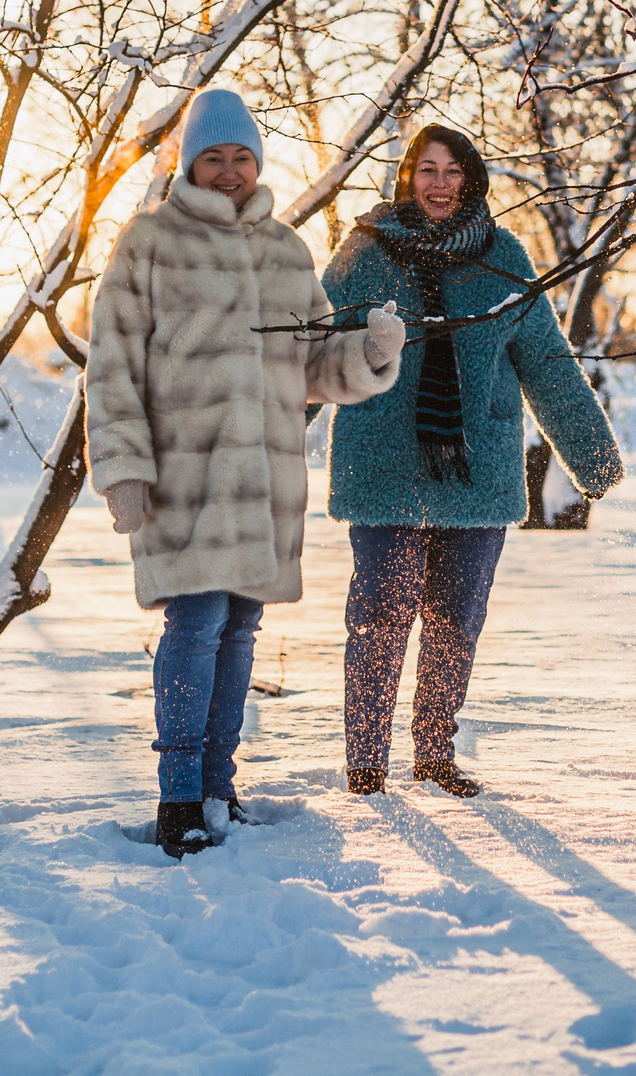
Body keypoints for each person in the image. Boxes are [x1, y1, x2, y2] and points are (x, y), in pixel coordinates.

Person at [87, 87, 406, 857]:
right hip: (183, 482)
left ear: (257, 162)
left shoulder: (285, 250)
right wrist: (122, 467)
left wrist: (370, 350)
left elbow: (316, 366)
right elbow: (113, 363)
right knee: (194, 622)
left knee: (239, 627)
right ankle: (178, 797)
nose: (229, 171)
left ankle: (218, 786)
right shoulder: (149, 243)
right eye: (214, 156)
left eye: (241, 157)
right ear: (189, 163)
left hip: (264, 486)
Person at [321, 125, 623, 797]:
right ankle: (366, 762)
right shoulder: (364, 256)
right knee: (381, 609)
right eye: (426, 169)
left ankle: (435, 754)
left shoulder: (503, 258)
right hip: (382, 463)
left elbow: (544, 361)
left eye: (452, 171)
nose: (438, 183)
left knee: (457, 617)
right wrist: (270, 432)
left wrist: (592, 456)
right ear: (407, 177)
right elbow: (314, 355)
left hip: (475, 469)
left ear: (472, 179)